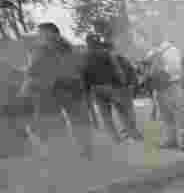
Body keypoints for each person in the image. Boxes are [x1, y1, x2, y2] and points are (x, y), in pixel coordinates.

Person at [24, 23, 94, 159]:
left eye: (41, 33)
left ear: (50, 32)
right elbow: (81, 67)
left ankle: (64, 152)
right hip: (72, 88)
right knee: (79, 121)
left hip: (54, 89)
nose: (39, 36)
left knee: (56, 122)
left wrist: (28, 84)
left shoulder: (40, 48)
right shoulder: (70, 47)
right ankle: (85, 151)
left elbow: (33, 68)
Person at [81, 33, 142, 143]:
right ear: (98, 42)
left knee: (106, 116)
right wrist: (123, 83)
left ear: (87, 43)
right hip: (112, 87)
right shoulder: (107, 53)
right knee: (123, 111)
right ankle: (132, 135)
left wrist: (87, 90)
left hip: (96, 88)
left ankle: (115, 138)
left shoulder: (83, 56)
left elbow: (83, 74)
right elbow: (117, 69)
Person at [143, 28, 184, 151]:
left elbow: (174, 69)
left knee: (174, 115)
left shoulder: (164, 51)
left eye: (152, 37)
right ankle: (175, 141)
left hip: (167, 86)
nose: (151, 39)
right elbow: (175, 69)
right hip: (165, 86)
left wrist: (155, 74)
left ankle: (180, 141)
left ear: (159, 36)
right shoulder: (159, 51)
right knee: (169, 116)